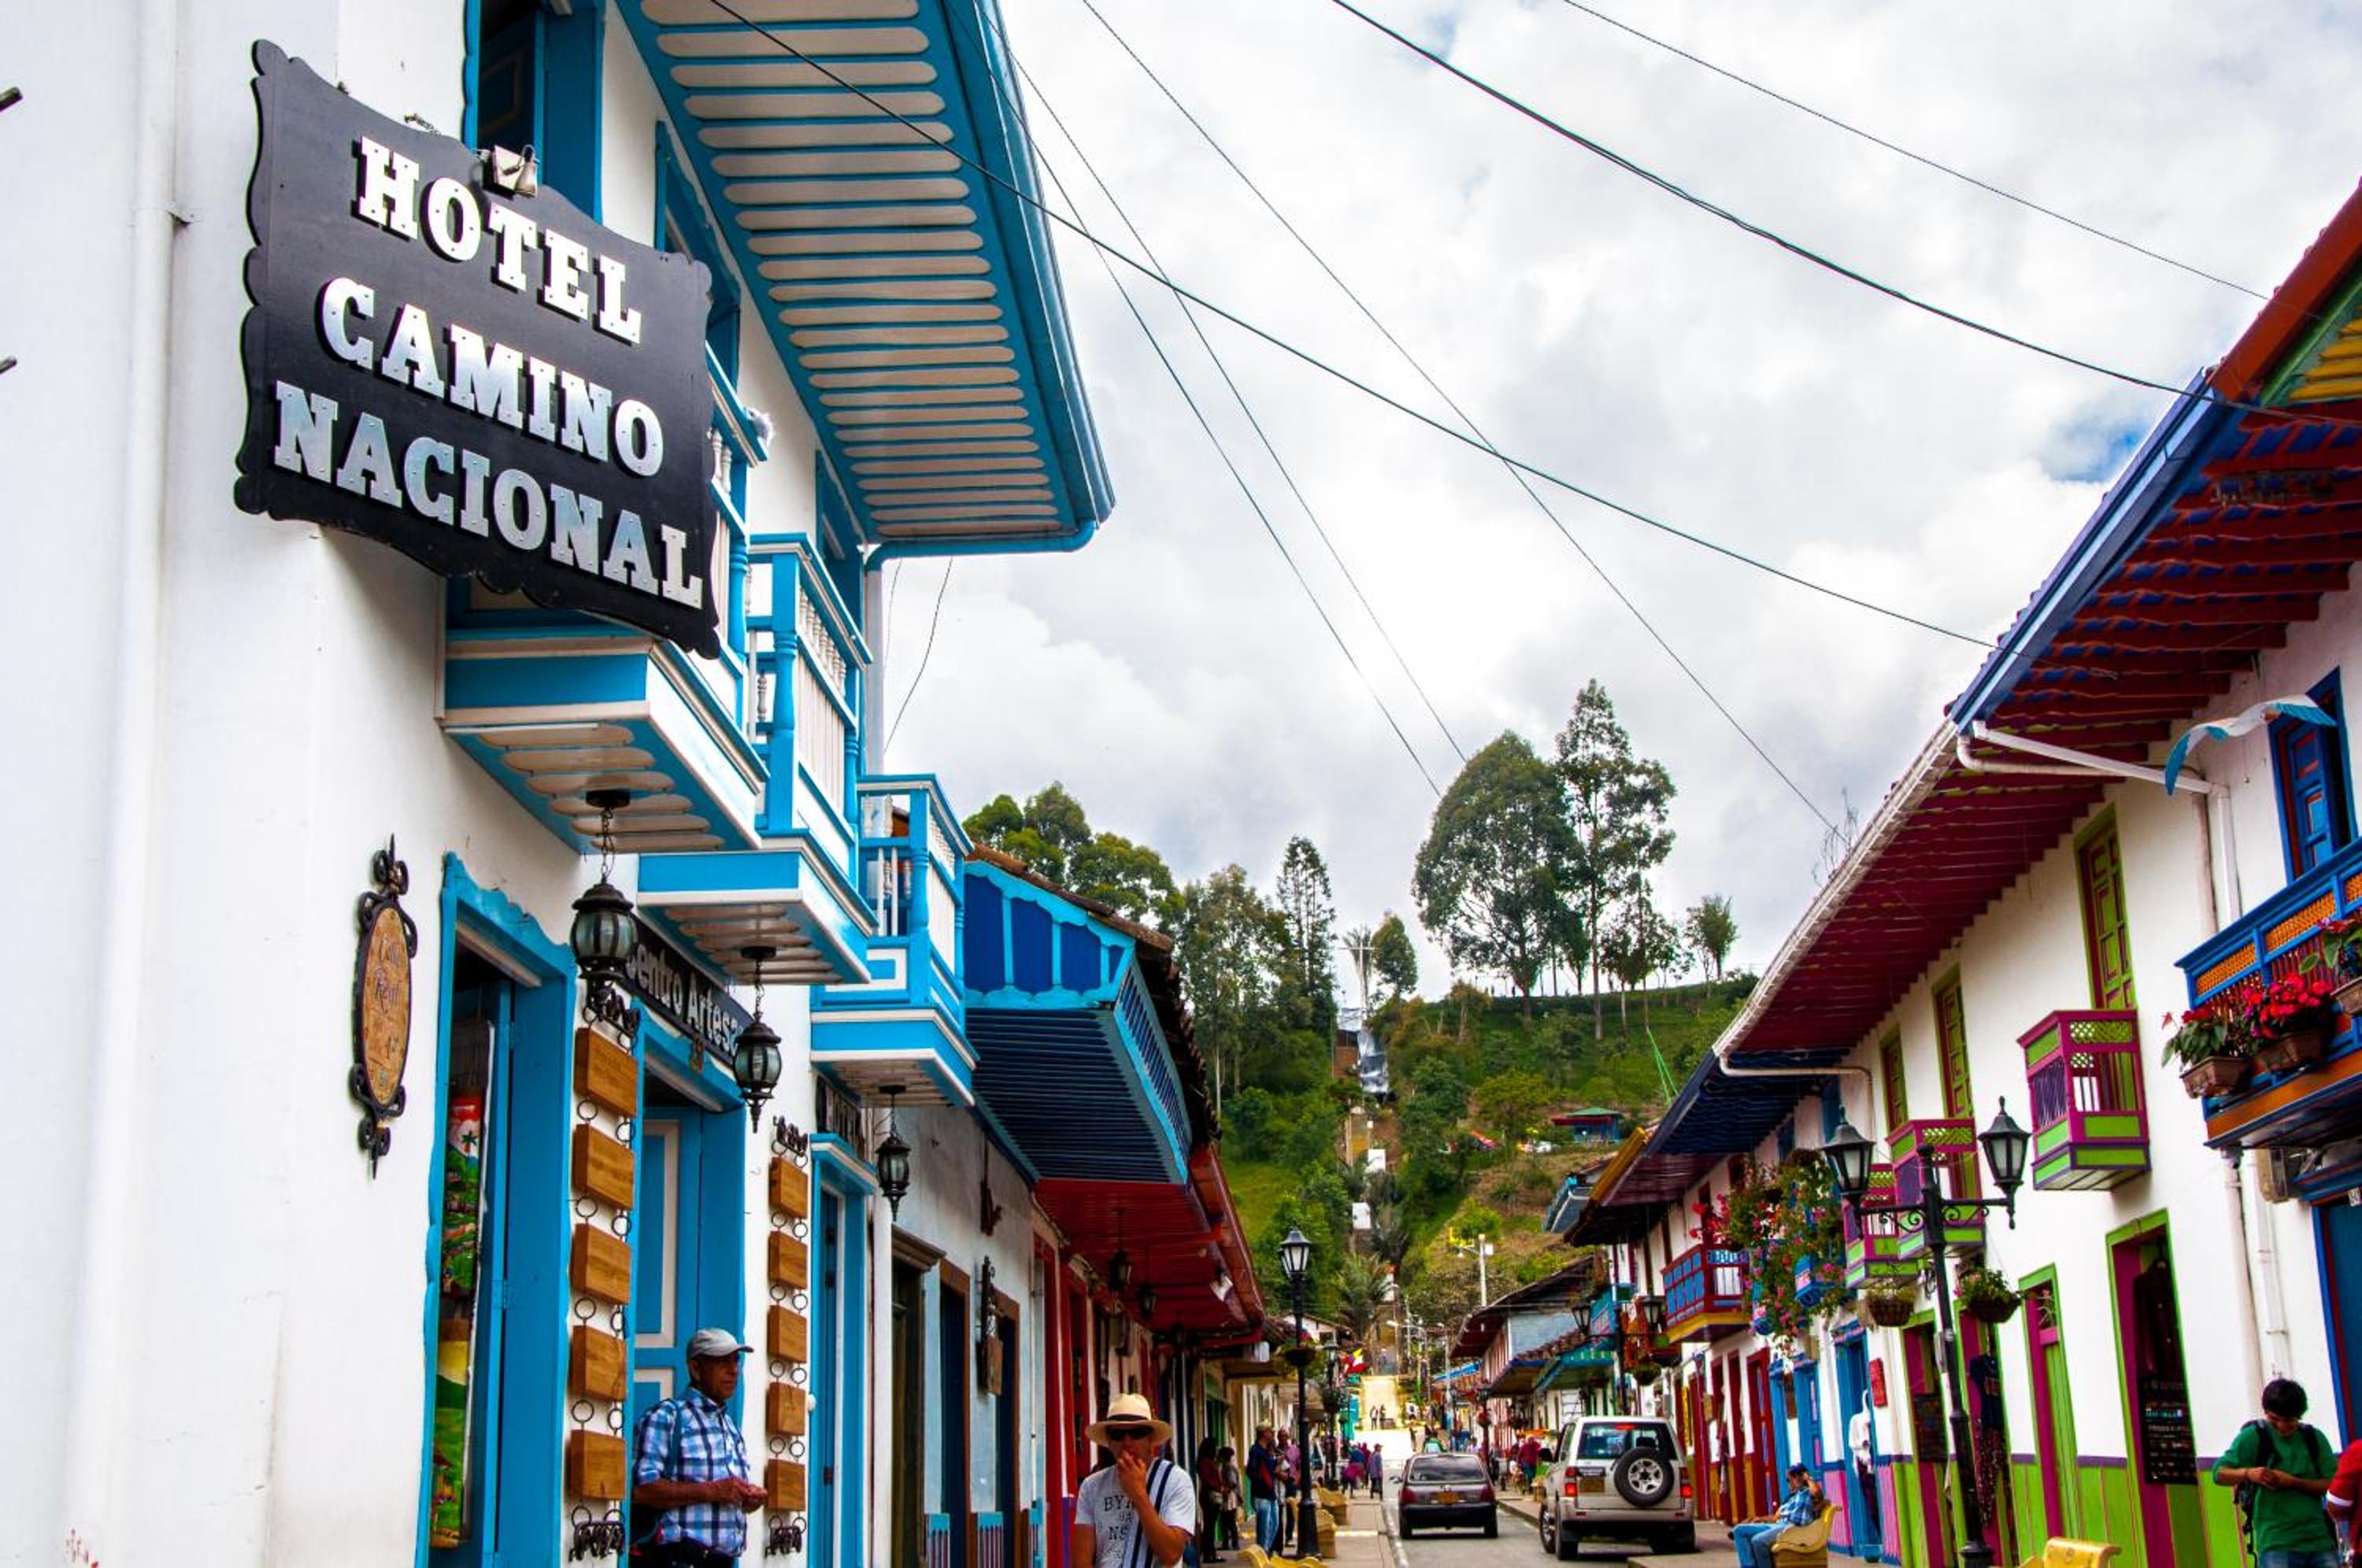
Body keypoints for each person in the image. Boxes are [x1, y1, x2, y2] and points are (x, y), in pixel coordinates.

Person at [630, 1327, 766, 1566]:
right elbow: (642, 1491)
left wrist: (747, 1500)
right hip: (675, 1560)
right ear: (696, 1368)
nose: (734, 1370)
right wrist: (713, 1491)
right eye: (723, 1362)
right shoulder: (668, 1417)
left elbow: (721, 1502)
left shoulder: (730, 1427)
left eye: (736, 1361)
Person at [2214, 1378, 2339, 1568]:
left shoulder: (2314, 1438)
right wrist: (2249, 1473)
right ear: (2266, 1414)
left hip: (2319, 1541)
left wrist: (2292, 1482)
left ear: (2299, 1417)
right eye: (2274, 1420)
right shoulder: (2253, 1436)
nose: (2281, 1427)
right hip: (2276, 1542)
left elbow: (2334, 1487)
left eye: (2289, 1422)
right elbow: (2219, 1473)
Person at [1073, 1392, 1195, 1568]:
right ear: (1109, 1441)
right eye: (1118, 1434)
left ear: (1150, 1439)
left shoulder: (1175, 1480)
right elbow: (1081, 1561)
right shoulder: (1092, 1486)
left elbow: (1172, 1554)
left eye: (1137, 1433)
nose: (1127, 1442)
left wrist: (1138, 1494)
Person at [1731, 1465, 1823, 1568]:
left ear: (1799, 1478)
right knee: (1739, 1531)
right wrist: (1758, 1519)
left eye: (1789, 1479)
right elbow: (1777, 1517)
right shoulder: (1794, 1496)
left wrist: (1808, 1478)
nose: (1789, 1483)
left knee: (1758, 1541)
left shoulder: (1808, 1493)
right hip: (1780, 1525)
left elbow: (1817, 1493)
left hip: (1793, 1528)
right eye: (1788, 1480)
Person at [1246, 1426, 1281, 1550]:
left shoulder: (1268, 1450)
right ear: (1264, 1433)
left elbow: (1270, 1468)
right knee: (1264, 1527)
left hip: (1270, 1492)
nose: (1272, 1433)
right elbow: (1251, 1471)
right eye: (1270, 1431)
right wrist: (1262, 1481)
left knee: (1275, 1524)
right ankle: (1263, 1550)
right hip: (1261, 1494)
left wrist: (1276, 1462)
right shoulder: (1255, 1450)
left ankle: (1264, 1550)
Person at [1194, 1436, 1225, 1562]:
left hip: (1210, 1496)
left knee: (1210, 1526)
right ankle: (1208, 1554)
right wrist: (1219, 1487)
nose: (1216, 1449)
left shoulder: (1207, 1461)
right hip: (1209, 1496)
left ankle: (1211, 1553)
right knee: (1209, 1527)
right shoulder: (1205, 1462)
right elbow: (1207, 1480)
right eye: (1215, 1446)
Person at [1216, 1445, 1243, 1551]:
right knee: (1227, 1522)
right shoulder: (1227, 1466)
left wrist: (1225, 1492)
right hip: (1230, 1498)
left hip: (1230, 1498)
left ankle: (1233, 1544)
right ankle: (1228, 1543)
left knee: (1229, 1522)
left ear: (1223, 1457)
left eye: (1219, 1456)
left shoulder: (1228, 1467)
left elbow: (1232, 1483)